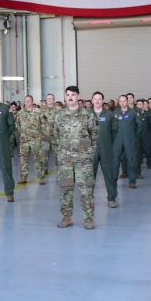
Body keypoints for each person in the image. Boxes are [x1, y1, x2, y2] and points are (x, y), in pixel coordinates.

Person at [54, 86, 100, 229]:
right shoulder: (59, 115)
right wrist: (61, 153)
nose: (70, 97)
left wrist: (89, 153)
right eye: (68, 95)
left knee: (86, 189)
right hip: (65, 160)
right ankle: (67, 217)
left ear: (78, 97)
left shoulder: (88, 115)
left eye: (73, 95)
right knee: (65, 189)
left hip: (83, 160)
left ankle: (88, 218)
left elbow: (95, 135)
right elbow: (55, 136)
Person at [90, 91, 119, 208]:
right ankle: (89, 198)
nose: (97, 101)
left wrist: (109, 145)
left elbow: (114, 132)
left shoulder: (109, 115)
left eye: (99, 99)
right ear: (92, 101)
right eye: (95, 99)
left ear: (103, 101)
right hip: (91, 150)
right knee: (90, 175)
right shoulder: (87, 115)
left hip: (106, 149)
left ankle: (111, 198)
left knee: (109, 174)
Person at [15, 95, 46, 185]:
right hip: (24, 140)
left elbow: (44, 123)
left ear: (32, 102)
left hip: (36, 140)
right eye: (26, 100)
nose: (27, 102)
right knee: (23, 160)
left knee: (38, 158)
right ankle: (23, 177)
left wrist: (39, 134)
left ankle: (41, 177)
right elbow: (17, 124)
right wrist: (23, 133)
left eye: (29, 100)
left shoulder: (38, 112)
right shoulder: (20, 113)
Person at [112, 95, 140, 188]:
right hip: (118, 140)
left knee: (131, 159)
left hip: (130, 139)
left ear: (127, 101)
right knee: (115, 160)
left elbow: (139, 125)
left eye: (124, 101)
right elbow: (112, 127)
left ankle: (132, 181)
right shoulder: (115, 112)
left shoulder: (133, 113)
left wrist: (134, 135)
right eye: (121, 101)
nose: (122, 103)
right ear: (118, 102)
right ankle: (114, 180)